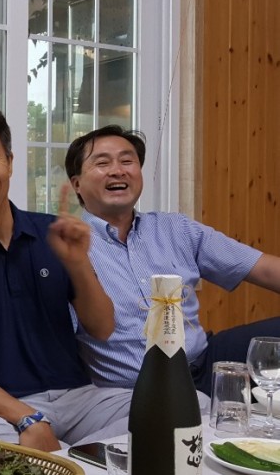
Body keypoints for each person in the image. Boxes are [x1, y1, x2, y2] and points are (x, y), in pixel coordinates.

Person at [0, 104, 132, 453]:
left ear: (10, 163)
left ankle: (69, 461)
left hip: (79, 398)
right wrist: (27, 418)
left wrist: (78, 264)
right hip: (0, 412)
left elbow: (102, 328)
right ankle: (81, 461)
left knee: (183, 407)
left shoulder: (52, 232)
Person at [65, 124, 280, 396]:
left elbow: (264, 269)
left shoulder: (176, 228)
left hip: (202, 363)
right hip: (133, 388)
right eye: (102, 163)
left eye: (127, 161)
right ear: (77, 184)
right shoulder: (68, 249)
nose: (118, 170)